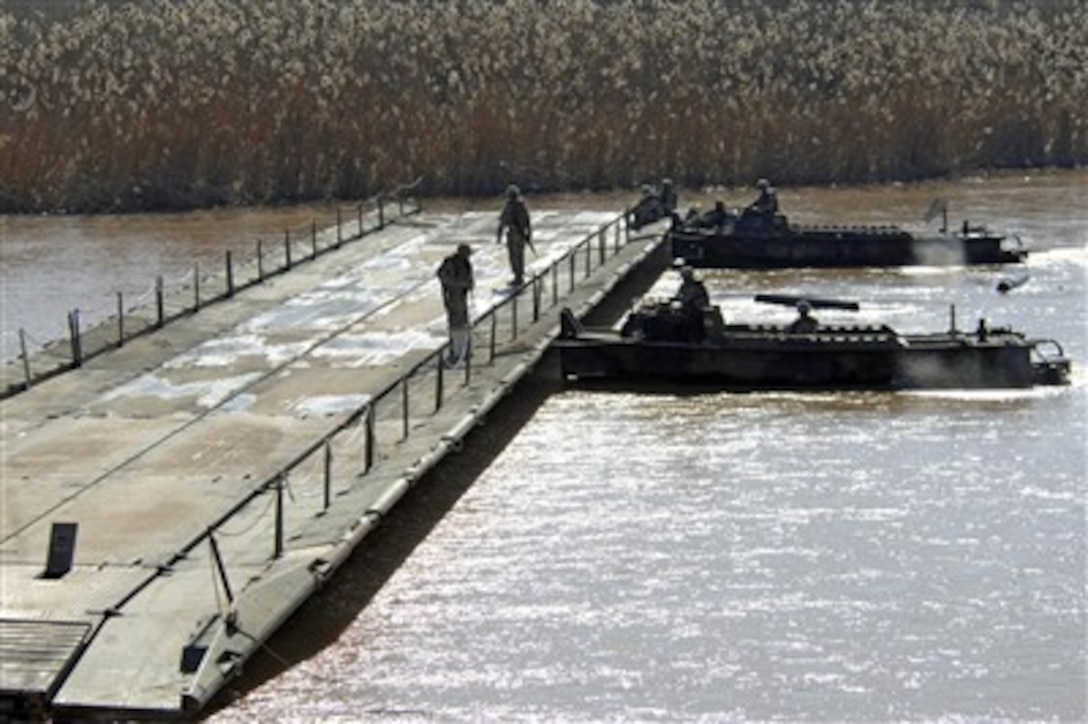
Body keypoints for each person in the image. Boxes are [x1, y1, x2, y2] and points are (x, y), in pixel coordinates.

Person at [437, 243, 474, 366]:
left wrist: (469, 284)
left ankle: (464, 349)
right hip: (452, 296)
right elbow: (442, 276)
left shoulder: (466, 263)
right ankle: (455, 351)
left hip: (461, 296)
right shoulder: (450, 262)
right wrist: (459, 283)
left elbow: (469, 277)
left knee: (463, 322)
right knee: (455, 323)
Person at [496, 184, 533, 287]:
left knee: (514, 256)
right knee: (519, 256)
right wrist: (529, 236)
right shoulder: (522, 206)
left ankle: (518, 277)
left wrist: (499, 235)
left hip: (513, 234)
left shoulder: (509, 206)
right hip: (520, 235)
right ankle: (519, 275)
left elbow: (502, 221)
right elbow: (528, 222)